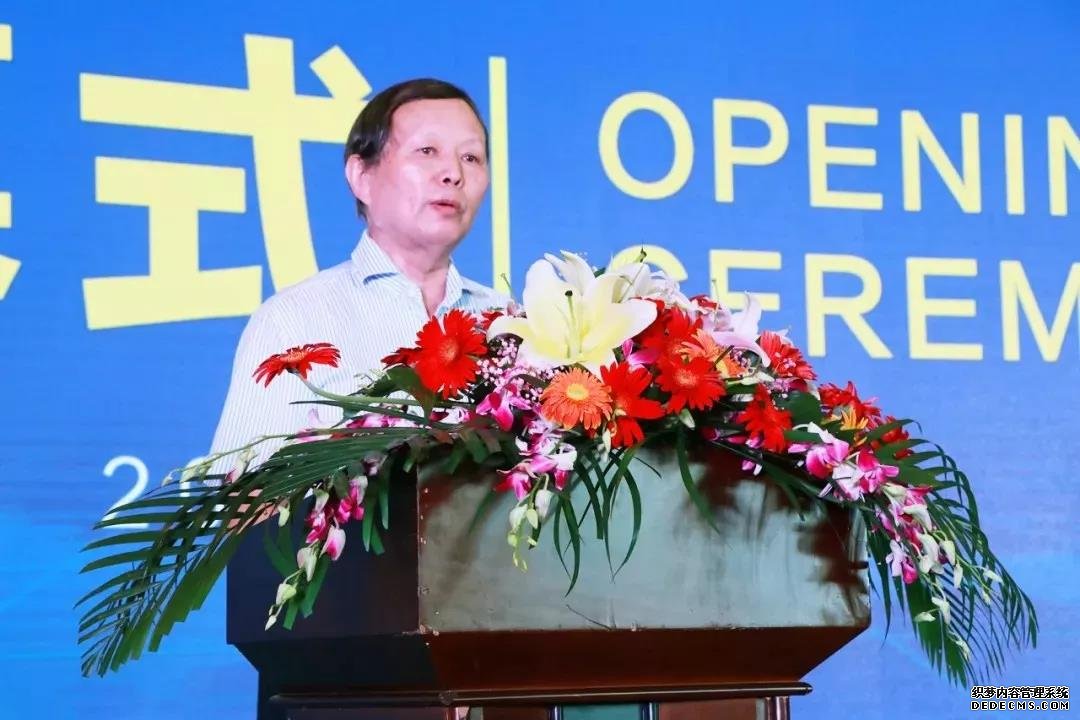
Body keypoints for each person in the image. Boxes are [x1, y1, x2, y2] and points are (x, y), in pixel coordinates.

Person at [207, 78, 509, 477]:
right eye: (427, 151)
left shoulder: (509, 324)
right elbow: (234, 496)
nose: (453, 173)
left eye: (471, 157)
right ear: (362, 176)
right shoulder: (292, 321)